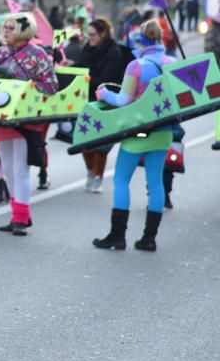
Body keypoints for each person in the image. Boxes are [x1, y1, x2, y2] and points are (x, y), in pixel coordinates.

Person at [92, 19, 174, 252]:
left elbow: (124, 100)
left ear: (141, 40)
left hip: (137, 132)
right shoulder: (172, 63)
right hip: (163, 131)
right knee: (156, 182)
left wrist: (104, 93)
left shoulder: (136, 66)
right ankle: (149, 238)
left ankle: (117, 236)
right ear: (160, 38)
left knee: (121, 180)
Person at [0, 12, 58, 236]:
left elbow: (51, 85)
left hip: (26, 118)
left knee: (20, 169)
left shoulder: (38, 54)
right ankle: (19, 214)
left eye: (10, 28)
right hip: (3, 117)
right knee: (8, 170)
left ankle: (20, 218)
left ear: (24, 30)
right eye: (4, 27)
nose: (5, 32)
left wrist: (26, 89)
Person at [74, 17, 126, 194]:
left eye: (93, 34)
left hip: (105, 102)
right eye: (87, 35)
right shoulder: (87, 49)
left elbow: (106, 81)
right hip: (84, 100)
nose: (90, 38)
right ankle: (90, 171)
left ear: (102, 33)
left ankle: (98, 177)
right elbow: (81, 67)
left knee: (100, 145)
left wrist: (84, 80)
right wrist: (71, 68)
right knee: (84, 142)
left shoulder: (113, 52)